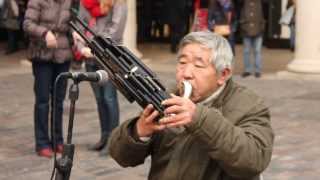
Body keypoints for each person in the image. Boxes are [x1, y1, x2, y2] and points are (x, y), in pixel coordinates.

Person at [109, 31, 274, 180]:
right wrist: (140, 131)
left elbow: (254, 160)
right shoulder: (167, 97)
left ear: (223, 74)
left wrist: (198, 118)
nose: (186, 73)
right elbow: (121, 156)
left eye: (198, 65)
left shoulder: (250, 105)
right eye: (182, 62)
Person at [73, 0, 127, 153]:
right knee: (100, 99)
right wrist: (81, 48)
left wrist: (94, 46)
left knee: (109, 98)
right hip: (90, 57)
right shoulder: (85, 3)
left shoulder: (119, 3)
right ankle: (104, 136)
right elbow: (79, 27)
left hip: (109, 58)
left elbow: (115, 31)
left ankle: (113, 141)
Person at [23, 0, 73, 158]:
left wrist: (76, 35)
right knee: (43, 101)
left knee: (59, 102)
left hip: (63, 53)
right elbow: (27, 24)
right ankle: (42, 142)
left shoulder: (70, 2)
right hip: (42, 54)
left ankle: (57, 140)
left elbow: (74, 22)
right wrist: (45, 33)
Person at [239, 0, 266, 78]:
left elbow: (262, 16)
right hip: (246, 31)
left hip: (258, 31)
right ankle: (247, 70)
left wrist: (262, 28)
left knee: (257, 51)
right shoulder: (244, 3)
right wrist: (244, 26)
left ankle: (258, 71)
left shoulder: (260, 3)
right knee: (246, 51)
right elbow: (242, 16)